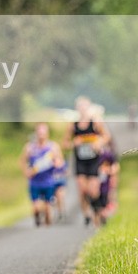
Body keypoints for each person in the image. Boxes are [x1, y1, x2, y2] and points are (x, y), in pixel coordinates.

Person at [63, 97, 111, 227]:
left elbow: (107, 136)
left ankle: (98, 211)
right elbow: (65, 144)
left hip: (94, 160)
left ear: (89, 107)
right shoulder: (73, 125)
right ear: (77, 108)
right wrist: (74, 143)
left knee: (93, 191)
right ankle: (86, 214)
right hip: (80, 162)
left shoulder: (95, 122)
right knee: (83, 190)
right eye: (80, 106)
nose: (83, 109)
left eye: (85, 106)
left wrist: (98, 142)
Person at [21, 123, 65, 227]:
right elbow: (22, 161)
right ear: (36, 133)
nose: (41, 135)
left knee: (48, 210)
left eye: (43, 133)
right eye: (39, 133)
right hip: (35, 182)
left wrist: (56, 163)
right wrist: (26, 171)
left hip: (48, 181)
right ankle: (37, 219)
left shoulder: (53, 147)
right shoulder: (30, 147)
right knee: (36, 208)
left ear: (47, 134)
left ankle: (46, 232)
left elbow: (60, 162)